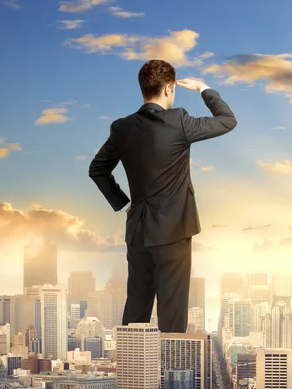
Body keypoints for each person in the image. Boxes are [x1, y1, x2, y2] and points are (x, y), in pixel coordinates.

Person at [88, 59, 237, 333]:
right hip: (174, 232)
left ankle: (133, 372)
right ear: (169, 88)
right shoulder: (179, 121)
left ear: (143, 89)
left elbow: (97, 169)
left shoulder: (122, 128)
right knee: (172, 312)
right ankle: (171, 374)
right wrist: (204, 88)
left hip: (138, 230)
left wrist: (124, 204)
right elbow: (227, 121)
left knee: (136, 307)